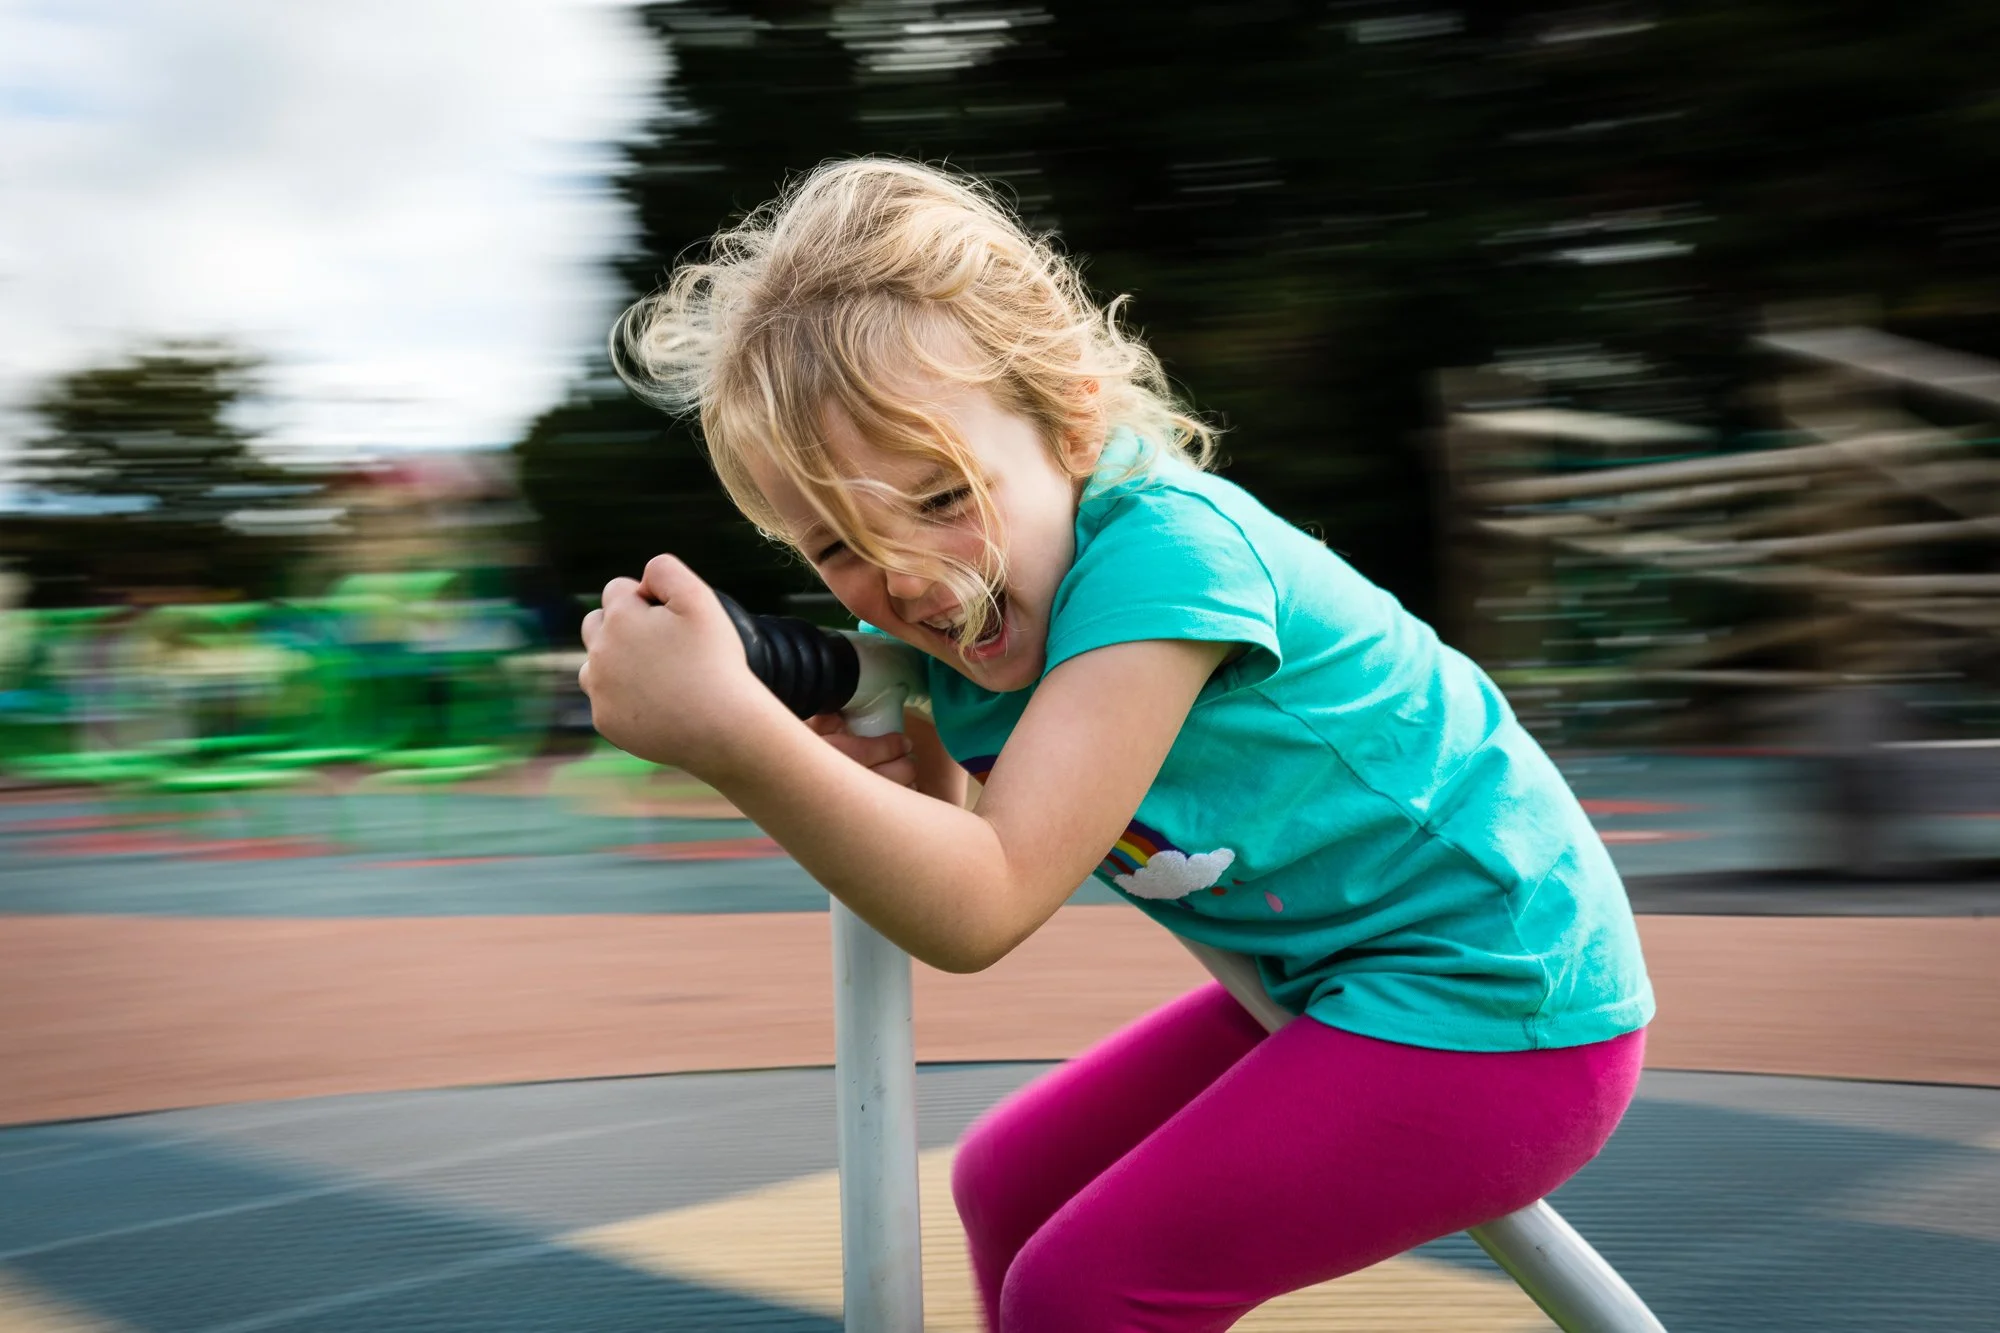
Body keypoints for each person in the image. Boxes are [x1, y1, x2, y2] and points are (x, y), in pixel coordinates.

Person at [579, 157, 1654, 1333]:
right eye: (835, 546)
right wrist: (894, 773)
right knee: (1008, 1187)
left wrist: (732, 737)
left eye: (942, 497)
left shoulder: (1161, 562)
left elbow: (979, 904)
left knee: (1085, 1289)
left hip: (1493, 995)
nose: (904, 578)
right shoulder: (979, 611)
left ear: (1073, 418)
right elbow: (963, 834)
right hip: (1325, 980)